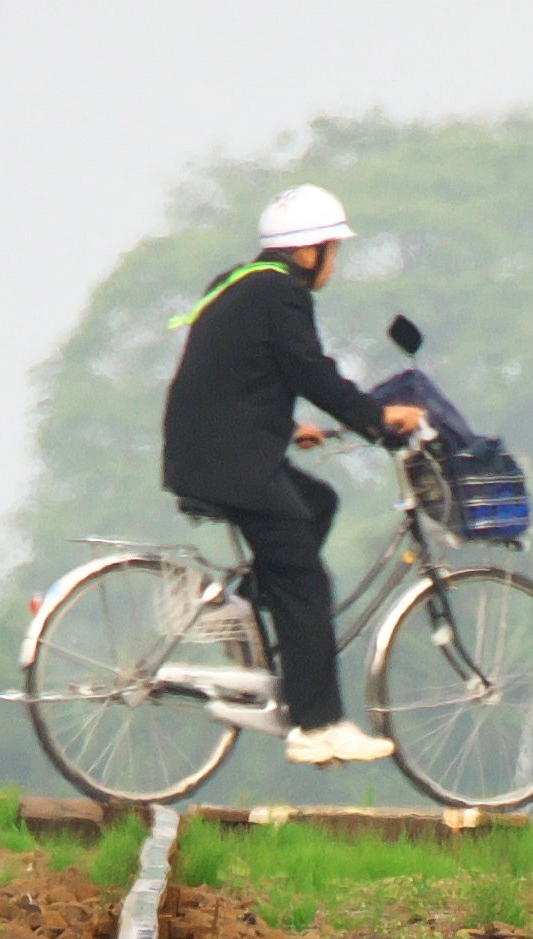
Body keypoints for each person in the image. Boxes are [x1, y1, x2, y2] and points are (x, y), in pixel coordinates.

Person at [162, 184, 425, 765]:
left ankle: (259, 602)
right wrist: (379, 421)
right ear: (309, 252)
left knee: (318, 505)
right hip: (233, 466)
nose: (335, 259)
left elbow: (235, 375)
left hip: (207, 452)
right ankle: (317, 725)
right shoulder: (282, 297)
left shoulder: (237, 283)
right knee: (307, 582)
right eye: (333, 247)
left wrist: (287, 429)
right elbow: (313, 373)